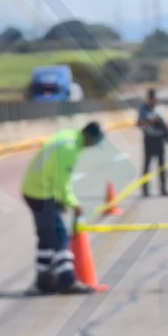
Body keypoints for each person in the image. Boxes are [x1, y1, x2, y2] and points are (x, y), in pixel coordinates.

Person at [21, 122, 105, 294]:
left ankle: (43, 280)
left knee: (46, 236)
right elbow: (62, 182)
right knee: (59, 235)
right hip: (40, 192)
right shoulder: (69, 148)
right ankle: (68, 280)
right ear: (89, 136)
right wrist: (72, 203)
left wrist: (58, 200)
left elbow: (52, 170)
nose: (93, 146)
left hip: (34, 188)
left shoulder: (67, 136)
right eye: (95, 141)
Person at [137, 88, 168, 197]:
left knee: (162, 166)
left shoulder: (160, 109)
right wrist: (148, 121)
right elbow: (138, 123)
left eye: (154, 98)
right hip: (149, 139)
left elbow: (166, 125)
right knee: (147, 166)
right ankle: (145, 190)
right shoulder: (143, 109)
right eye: (151, 98)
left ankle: (163, 189)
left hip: (160, 139)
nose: (153, 100)